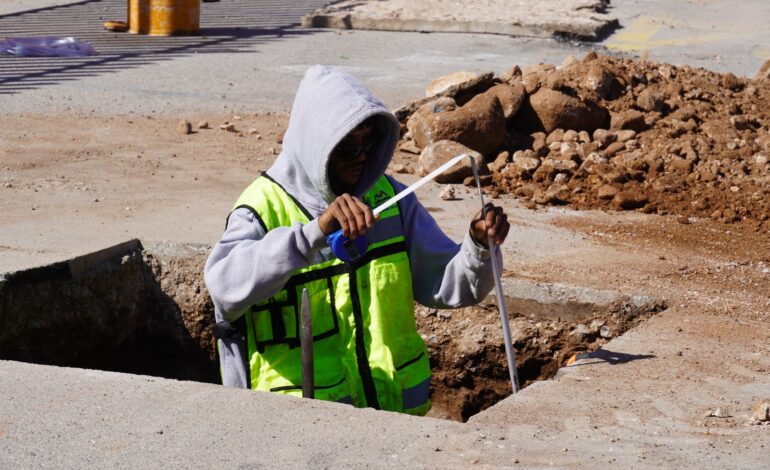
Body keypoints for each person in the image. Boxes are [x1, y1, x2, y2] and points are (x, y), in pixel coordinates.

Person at [204, 65, 510, 416]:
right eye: (349, 147)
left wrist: (478, 249)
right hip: (294, 431)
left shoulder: (389, 200)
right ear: (318, 143)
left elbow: (446, 284)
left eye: (369, 143)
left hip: (391, 426)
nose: (363, 156)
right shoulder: (262, 208)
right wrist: (314, 233)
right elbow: (224, 289)